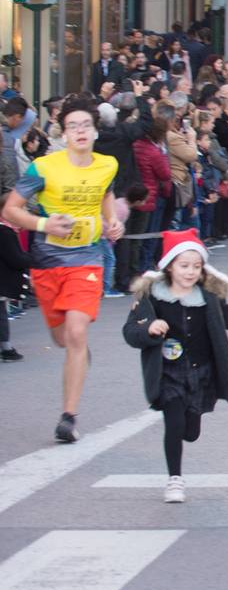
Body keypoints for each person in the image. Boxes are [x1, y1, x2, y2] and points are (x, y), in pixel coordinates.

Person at [3, 94, 125, 442]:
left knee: (75, 331)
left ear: (94, 131)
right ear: (64, 132)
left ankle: (68, 417)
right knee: (62, 338)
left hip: (87, 258)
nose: (80, 131)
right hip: (47, 261)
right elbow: (11, 210)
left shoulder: (108, 165)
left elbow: (106, 200)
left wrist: (112, 223)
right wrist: (44, 226)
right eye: (73, 126)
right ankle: (77, 349)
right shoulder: (43, 167)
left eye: (86, 125)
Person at [123, 229, 228, 503]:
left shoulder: (207, 298)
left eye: (196, 266)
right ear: (170, 266)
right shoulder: (152, 298)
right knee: (173, 422)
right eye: (184, 265)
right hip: (167, 374)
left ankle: (189, 426)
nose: (190, 272)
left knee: (190, 432)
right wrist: (149, 327)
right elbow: (131, 332)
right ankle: (175, 480)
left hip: (201, 373)